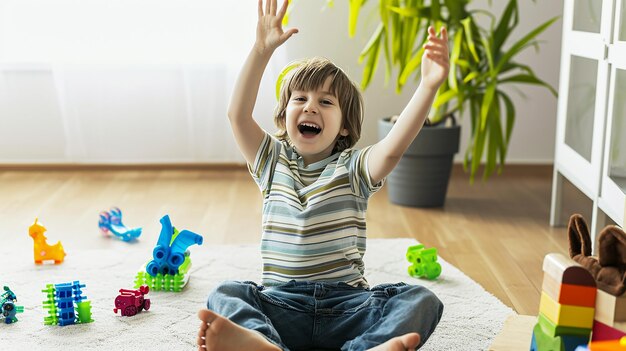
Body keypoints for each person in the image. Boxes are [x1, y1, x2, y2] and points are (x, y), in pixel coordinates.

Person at [197, 0, 449, 349]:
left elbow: (392, 148)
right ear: (285, 114)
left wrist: (428, 86)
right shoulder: (271, 160)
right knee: (226, 293)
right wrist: (260, 51)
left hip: (348, 307)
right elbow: (237, 115)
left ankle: (366, 348)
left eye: (326, 102)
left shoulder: (354, 168)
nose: (310, 106)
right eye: (299, 98)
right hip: (280, 305)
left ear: (345, 127)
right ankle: (264, 345)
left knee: (421, 299)